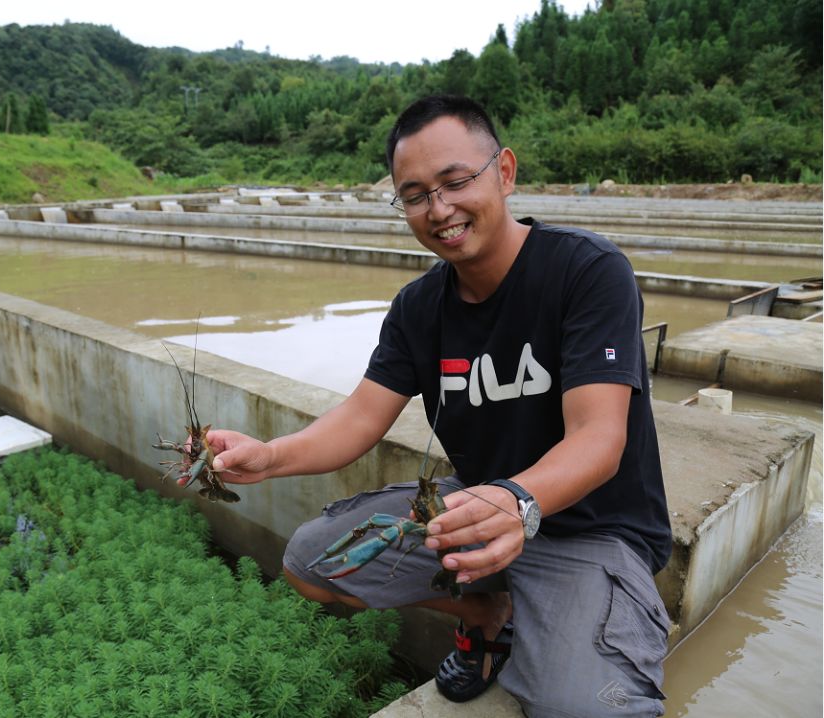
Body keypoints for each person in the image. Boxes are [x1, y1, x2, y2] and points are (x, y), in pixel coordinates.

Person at [196, 95, 672, 717]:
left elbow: (598, 438)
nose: (439, 210)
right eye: (415, 194)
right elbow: (361, 418)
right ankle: (486, 612)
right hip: (472, 507)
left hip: (589, 528)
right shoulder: (418, 308)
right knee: (310, 564)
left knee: (590, 708)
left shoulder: (586, 271)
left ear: (503, 171)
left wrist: (517, 501)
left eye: (455, 182)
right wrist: (268, 456)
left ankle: (572, 621)